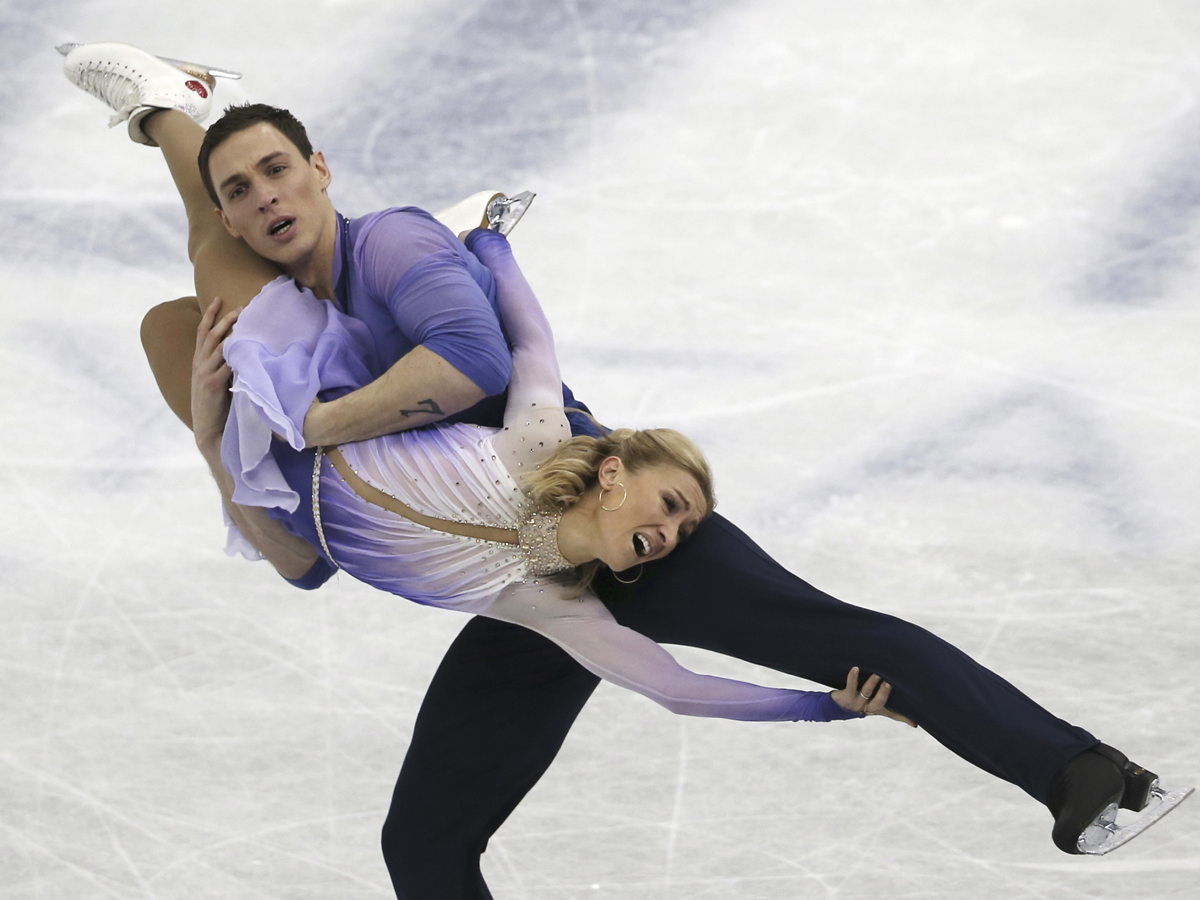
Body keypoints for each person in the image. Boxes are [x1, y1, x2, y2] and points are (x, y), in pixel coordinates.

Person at [61, 40, 1191, 893]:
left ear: (319, 166)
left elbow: (489, 356)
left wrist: (437, 299)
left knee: (844, 633)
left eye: (277, 175)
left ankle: (1090, 777)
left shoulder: (401, 255)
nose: (263, 201)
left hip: (597, 513)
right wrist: (223, 440)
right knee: (424, 837)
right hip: (526, 579)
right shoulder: (297, 294)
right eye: (241, 189)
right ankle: (178, 107)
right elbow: (314, 571)